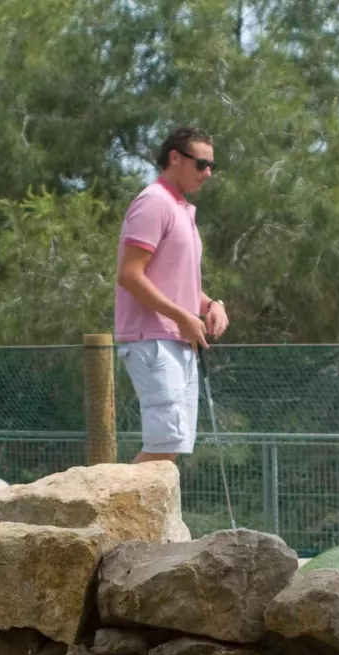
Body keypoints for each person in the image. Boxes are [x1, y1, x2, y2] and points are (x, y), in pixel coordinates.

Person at [114, 125, 230, 463]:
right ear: (175, 158)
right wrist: (182, 317)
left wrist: (212, 305)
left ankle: (143, 516)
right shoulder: (154, 203)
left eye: (212, 166)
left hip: (176, 340)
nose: (207, 173)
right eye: (201, 164)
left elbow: (179, 284)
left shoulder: (183, 211)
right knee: (164, 445)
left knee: (172, 445)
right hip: (151, 339)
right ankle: (118, 516)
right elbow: (129, 275)